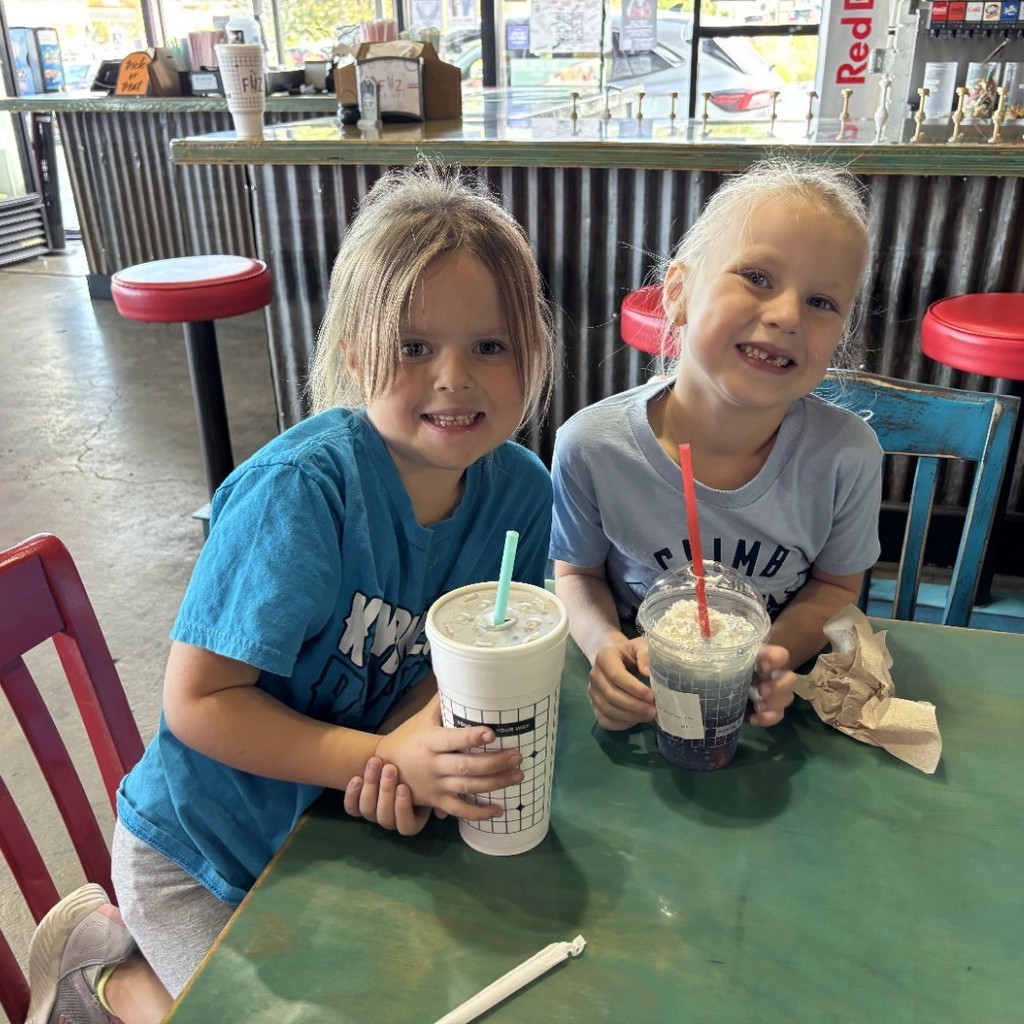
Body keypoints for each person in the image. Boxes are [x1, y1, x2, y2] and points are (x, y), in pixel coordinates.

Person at [25, 163, 557, 1024]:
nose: (455, 377)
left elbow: (451, 666)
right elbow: (198, 703)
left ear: (531, 351)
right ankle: (105, 976)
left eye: (489, 345)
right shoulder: (302, 495)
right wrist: (372, 759)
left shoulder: (523, 495)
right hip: (197, 855)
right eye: (414, 347)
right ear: (354, 354)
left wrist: (410, 743)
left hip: (328, 833)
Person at [550, 156, 882, 733]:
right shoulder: (590, 447)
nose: (785, 315)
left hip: (769, 721)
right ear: (678, 293)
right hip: (641, 710)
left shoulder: (846, 456)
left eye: (821, 302)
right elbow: (576, 575)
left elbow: (836, 586)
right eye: (757, 277)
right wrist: (605, 647)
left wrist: (771, 656)